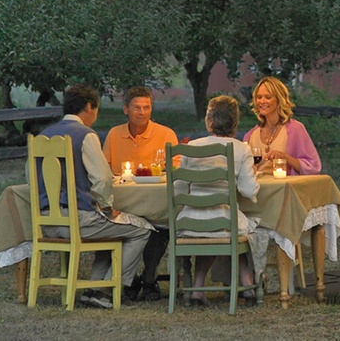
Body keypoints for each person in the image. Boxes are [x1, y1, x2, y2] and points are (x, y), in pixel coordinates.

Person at [37, 84, 151, 309]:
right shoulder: (85, 135)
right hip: (78, 219)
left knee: (109, 230)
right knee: (141, 229)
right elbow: (102, 179)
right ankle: (107, 289)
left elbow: (33, 181)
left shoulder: (43, 136)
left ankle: (94, 289)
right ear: (89, 107)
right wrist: (108, 207)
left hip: (46, 221)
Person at [176, 95, 260, 306]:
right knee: (246, 229)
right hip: (224, 222)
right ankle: (248, 284)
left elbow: (179, 188)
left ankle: (197, 288)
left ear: (210, 120)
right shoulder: (241, 148)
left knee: (217, 229)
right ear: (235, 121)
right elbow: (249, 191)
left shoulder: (191, 146)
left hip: (190, 222)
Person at [102, 86, 180, 301]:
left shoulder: (165, 134)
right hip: (125, 204)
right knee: (130, 224)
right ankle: (132, 279)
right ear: (125, 109)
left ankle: (148, 277)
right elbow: (105, 170)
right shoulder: (115, 134)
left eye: (147, 107)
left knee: (158, 226)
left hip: (157, 204)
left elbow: (176, 170)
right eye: (137, 107)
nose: (142, 112)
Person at [243, 76, 322, 176]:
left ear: (279, 100)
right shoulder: (250, 135)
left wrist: (285, 157)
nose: (262, 101)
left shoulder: (295, 129)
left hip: (284, 189)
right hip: (257, 190)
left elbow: (313, 168)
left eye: (268, 97)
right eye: (259, 97)